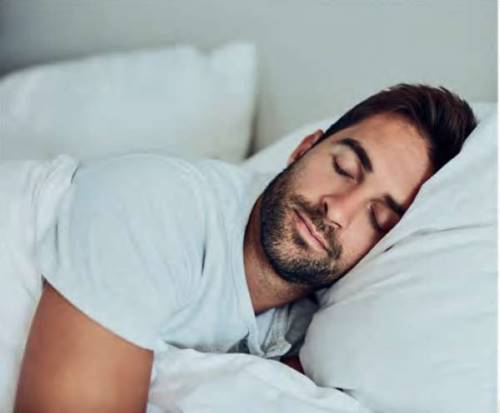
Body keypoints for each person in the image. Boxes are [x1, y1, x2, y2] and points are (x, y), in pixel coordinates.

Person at [14, 83, 477, 412]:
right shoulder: (156, 203)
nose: (338, 210)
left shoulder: (314, 335)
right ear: (303, 148)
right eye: (343, 168)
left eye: (378, 219)